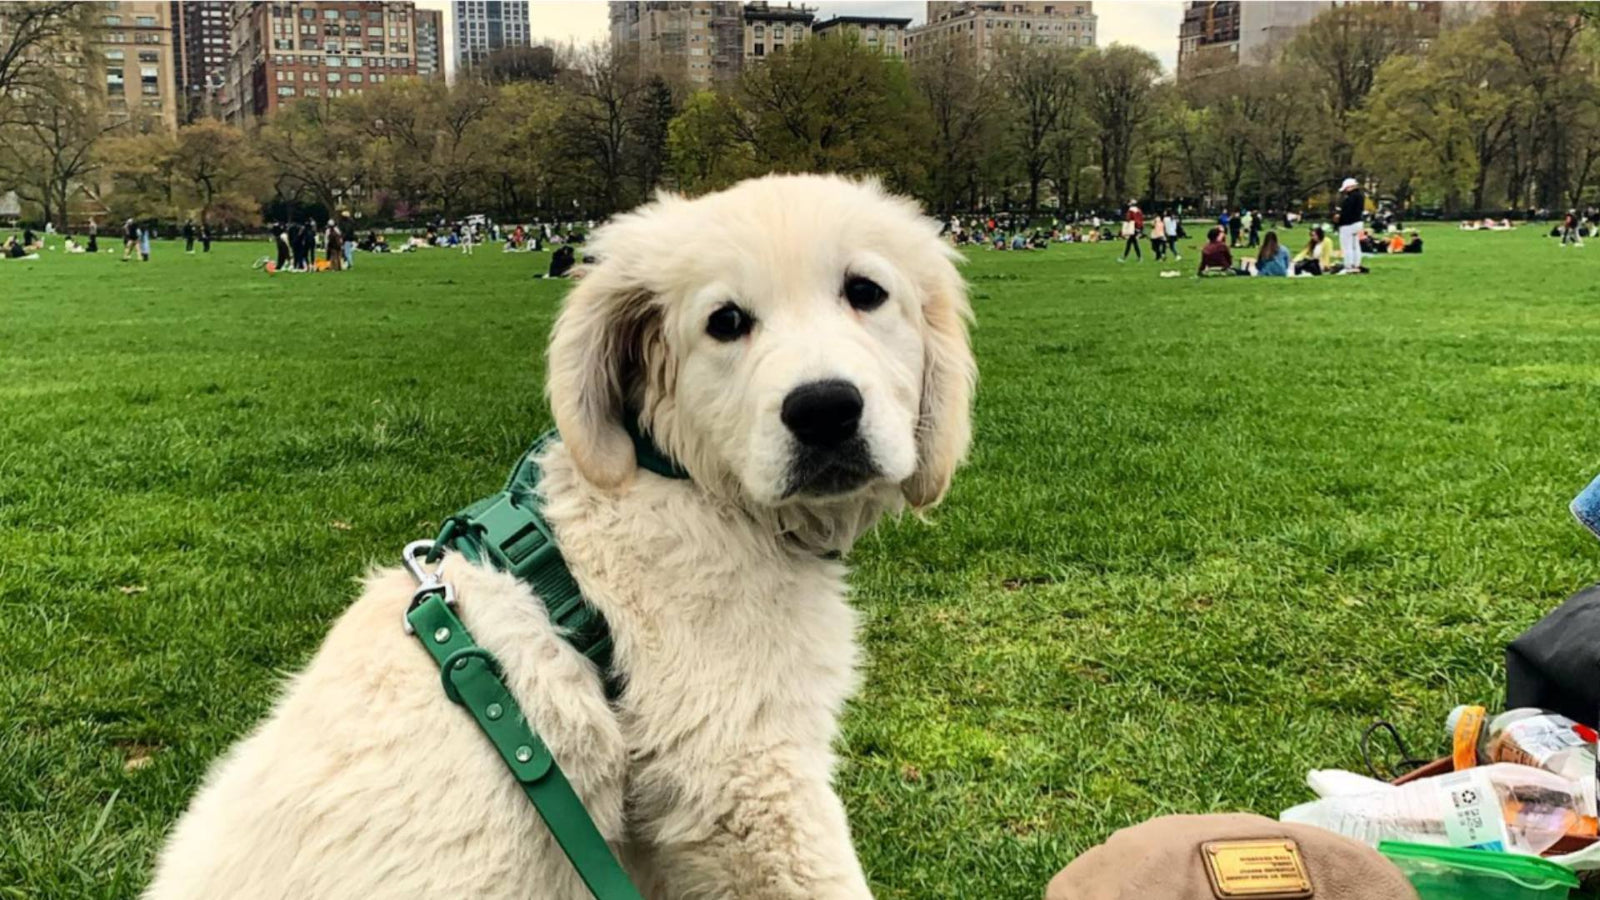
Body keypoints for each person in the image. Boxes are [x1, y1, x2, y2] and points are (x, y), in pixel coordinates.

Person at [1334, 177, 1365, 273]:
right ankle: (1357, 264)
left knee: (1347, 246)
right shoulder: (1360, 196)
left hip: (1348, 224)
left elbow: (1347, 213)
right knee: (1355, 245)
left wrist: (1339, 219)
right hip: (1358, 223)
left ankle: (1349, 265)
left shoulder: (1350, 198)